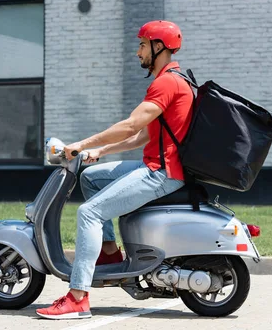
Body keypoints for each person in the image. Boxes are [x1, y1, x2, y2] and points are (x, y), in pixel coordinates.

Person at [36, 20, 194, 320]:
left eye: (142, 45)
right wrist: (100, 151)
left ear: (158, 47)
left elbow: (130, 125)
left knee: (89, 213)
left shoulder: (166, 83)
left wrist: (81, 144)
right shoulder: (173, 80)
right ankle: (109, 252)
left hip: (161, 173)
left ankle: (78, 297)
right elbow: (144, 136)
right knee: (91, 177)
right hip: (157, 164)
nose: (138, 52)